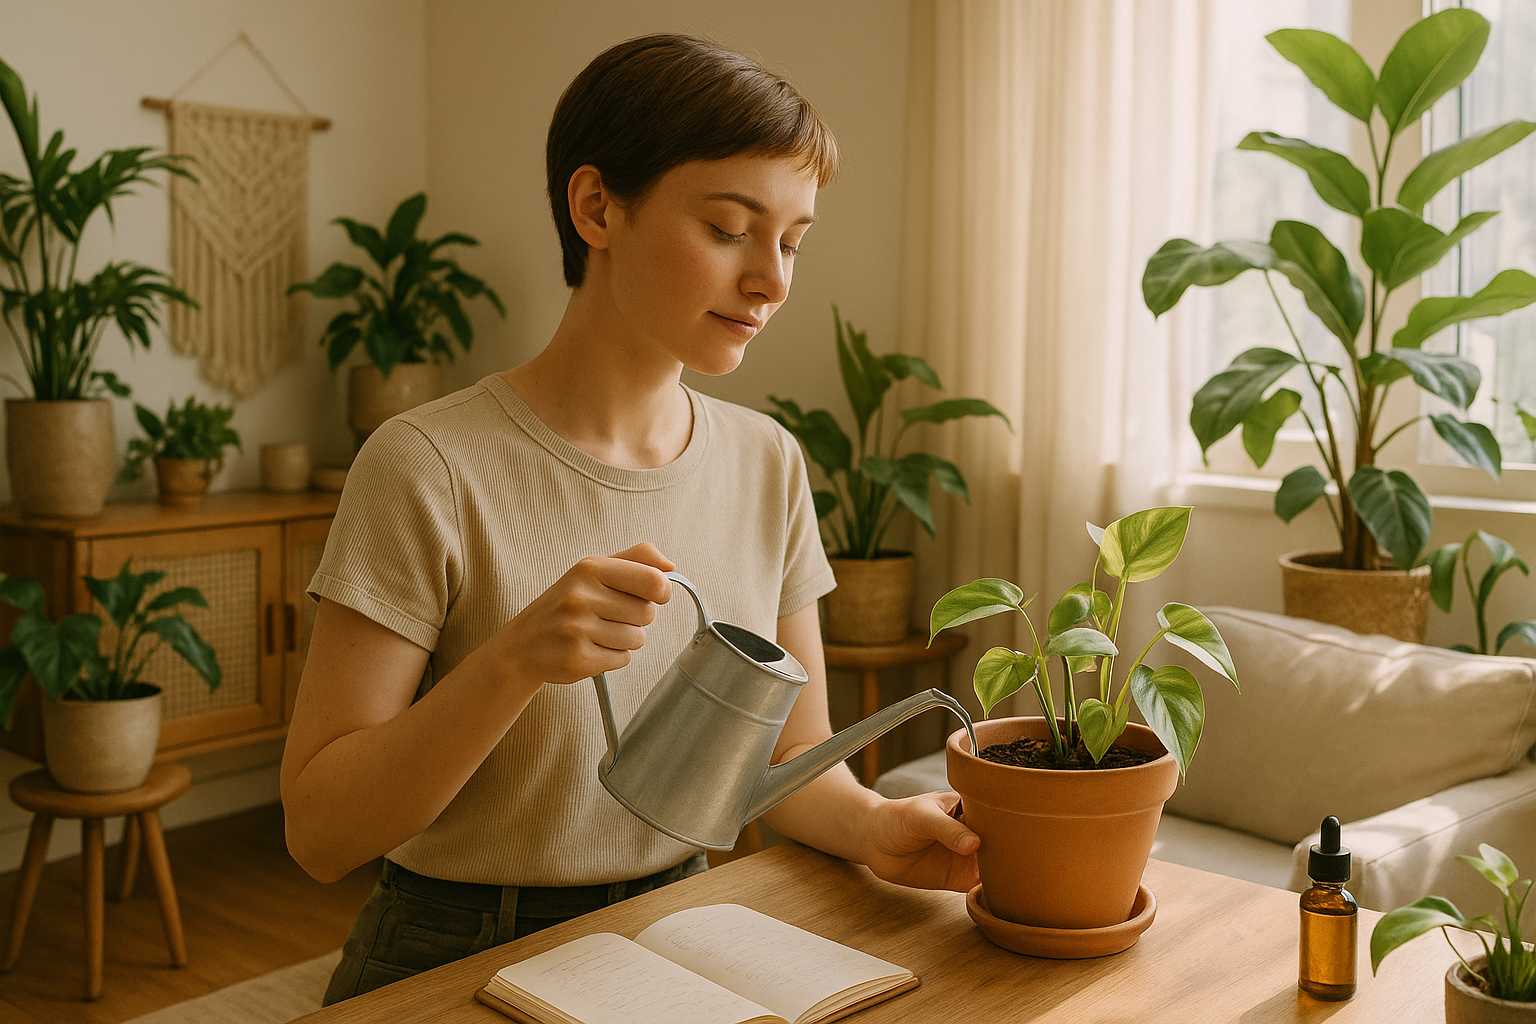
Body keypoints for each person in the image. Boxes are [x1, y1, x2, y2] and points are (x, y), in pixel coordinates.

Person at [279, 33, 979, 1005]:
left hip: (681, 922)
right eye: (732, 228)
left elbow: (785, 760)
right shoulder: (425, 463)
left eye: (791, 241)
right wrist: (514, 660)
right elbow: (319, 832)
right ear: (597, 206)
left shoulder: (765, 461)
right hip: (451, 943)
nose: (772, 280)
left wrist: (873, 825)